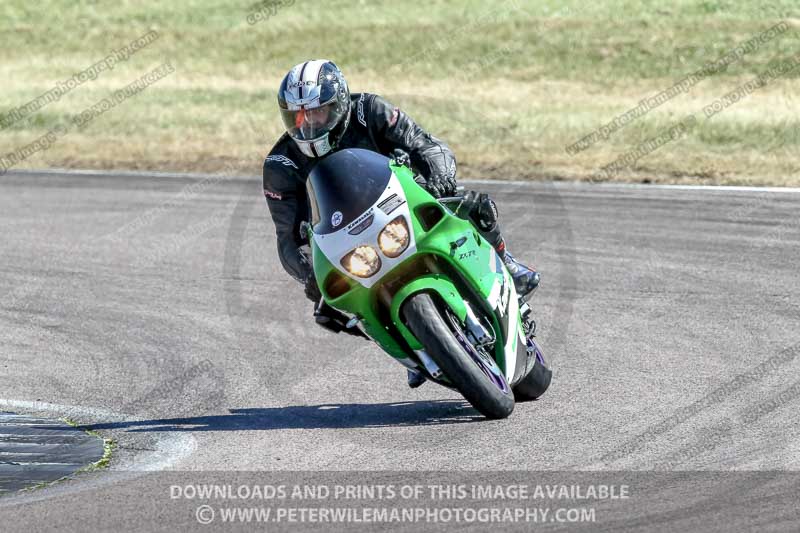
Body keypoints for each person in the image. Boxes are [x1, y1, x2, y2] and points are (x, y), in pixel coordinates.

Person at [263, 59, 539, 388]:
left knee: (476, 206)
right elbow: (288, 238)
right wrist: (308, 271)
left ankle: (506, 263)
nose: (308, 125)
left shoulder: (369, 110)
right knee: (334, 306)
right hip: (347, 242)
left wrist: (440, 178)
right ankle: (408, 342)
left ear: (339, 103)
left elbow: (427, 145)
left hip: (402, 203)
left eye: (317, 113)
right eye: (298, 117)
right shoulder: (281, 164)